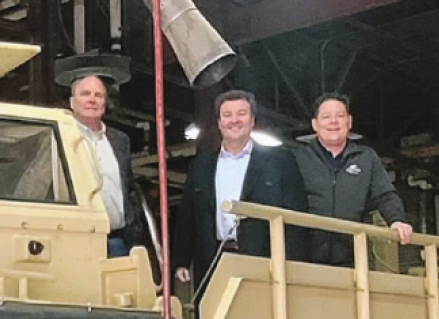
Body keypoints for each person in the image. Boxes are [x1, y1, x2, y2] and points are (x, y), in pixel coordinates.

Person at [172, 90, 309, 291]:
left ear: (252, 120)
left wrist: (295, 264)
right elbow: (188, 214)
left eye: (241, 114)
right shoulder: (201, 165)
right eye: (227, 115)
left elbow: (296, 215)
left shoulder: (280, 160)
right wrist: (181, 259)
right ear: (219, 123)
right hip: (213, 262)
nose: (234, 120)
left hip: (265, 264)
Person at [294, 93, 413, 266]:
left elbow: (385, 194)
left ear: (349, 122)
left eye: (340, 116)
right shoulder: (297, 158)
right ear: (315, 124)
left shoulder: (366, 157)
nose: (333, 121)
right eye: (326, 117)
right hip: (304, 259)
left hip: (352, 259)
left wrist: (397, 220)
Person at [70, 74, 146, 257]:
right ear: (72, 102)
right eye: (85, 94)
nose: (92, 100)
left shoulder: (120, 140)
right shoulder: (63, 136)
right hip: (75, 241)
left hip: (117, 241)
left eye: (98, 95)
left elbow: (128, 187)